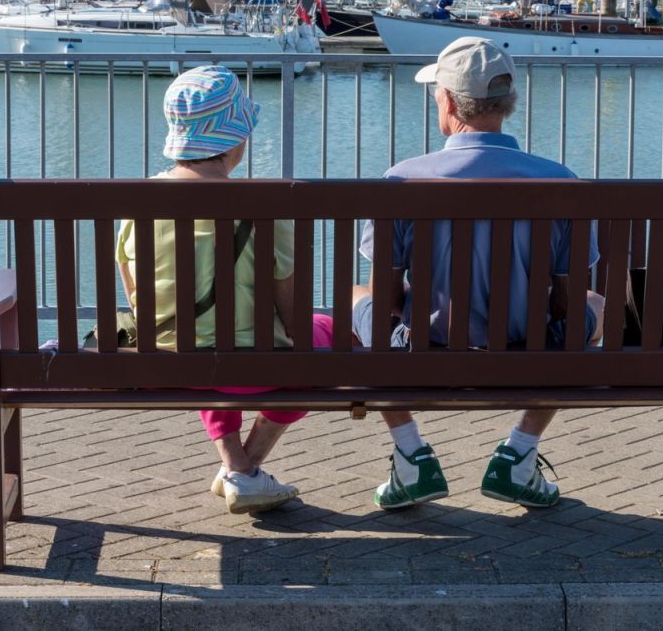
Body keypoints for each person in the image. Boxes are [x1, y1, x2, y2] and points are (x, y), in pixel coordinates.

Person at [352, 37, 605, 511]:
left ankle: (410, 454)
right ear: (507, 104)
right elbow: (567, 306)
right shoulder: (559, 181)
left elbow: (387, 301)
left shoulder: (402, 179)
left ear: (448, 101)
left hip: (425, 349)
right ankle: (520, 453)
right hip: (531, 349)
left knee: (356, 297)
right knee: (596, 305)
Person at [116, 65, 333, 515]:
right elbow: (293, 322)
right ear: (234, 140)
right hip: (251, 368)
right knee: (322, 337)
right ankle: (245, 470)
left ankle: (238, 465)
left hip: (168, 364)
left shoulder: (137, 205)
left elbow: (138, 301)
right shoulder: (264, 210)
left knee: (207, 339)